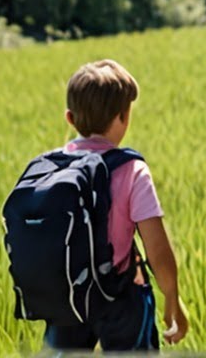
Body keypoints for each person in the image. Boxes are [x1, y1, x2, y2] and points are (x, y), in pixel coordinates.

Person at [28, 60, 188, 351]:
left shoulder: (50, 169)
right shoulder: (132, 170)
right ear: (124, 116)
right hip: (120, 300)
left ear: (70, 118)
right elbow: (157, 249)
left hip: (67, 298)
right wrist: (173, 298)